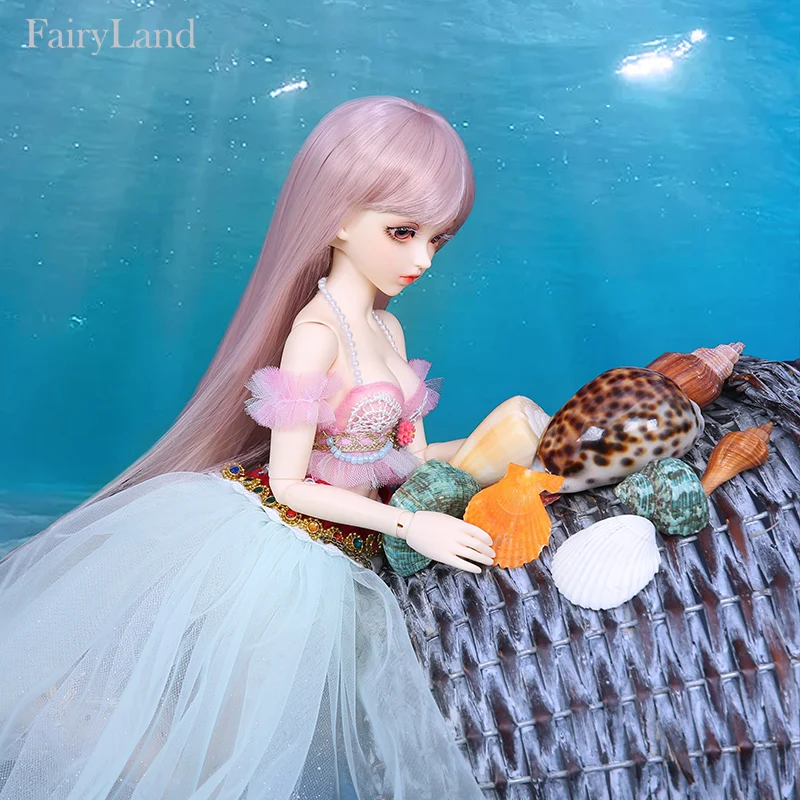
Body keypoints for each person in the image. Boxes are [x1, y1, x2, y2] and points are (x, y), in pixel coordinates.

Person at [0, 96, 495, 799]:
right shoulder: (317, 334)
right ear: (338, 215)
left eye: (436, 240)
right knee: (230, 762)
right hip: (287, 560)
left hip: (347, 553)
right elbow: (290, 485)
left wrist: (494, 446)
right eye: (403, 232)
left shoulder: (387, 331)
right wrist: (411, 525)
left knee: (252, 756)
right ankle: (61, 715)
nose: (421, 259)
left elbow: (405, 460)